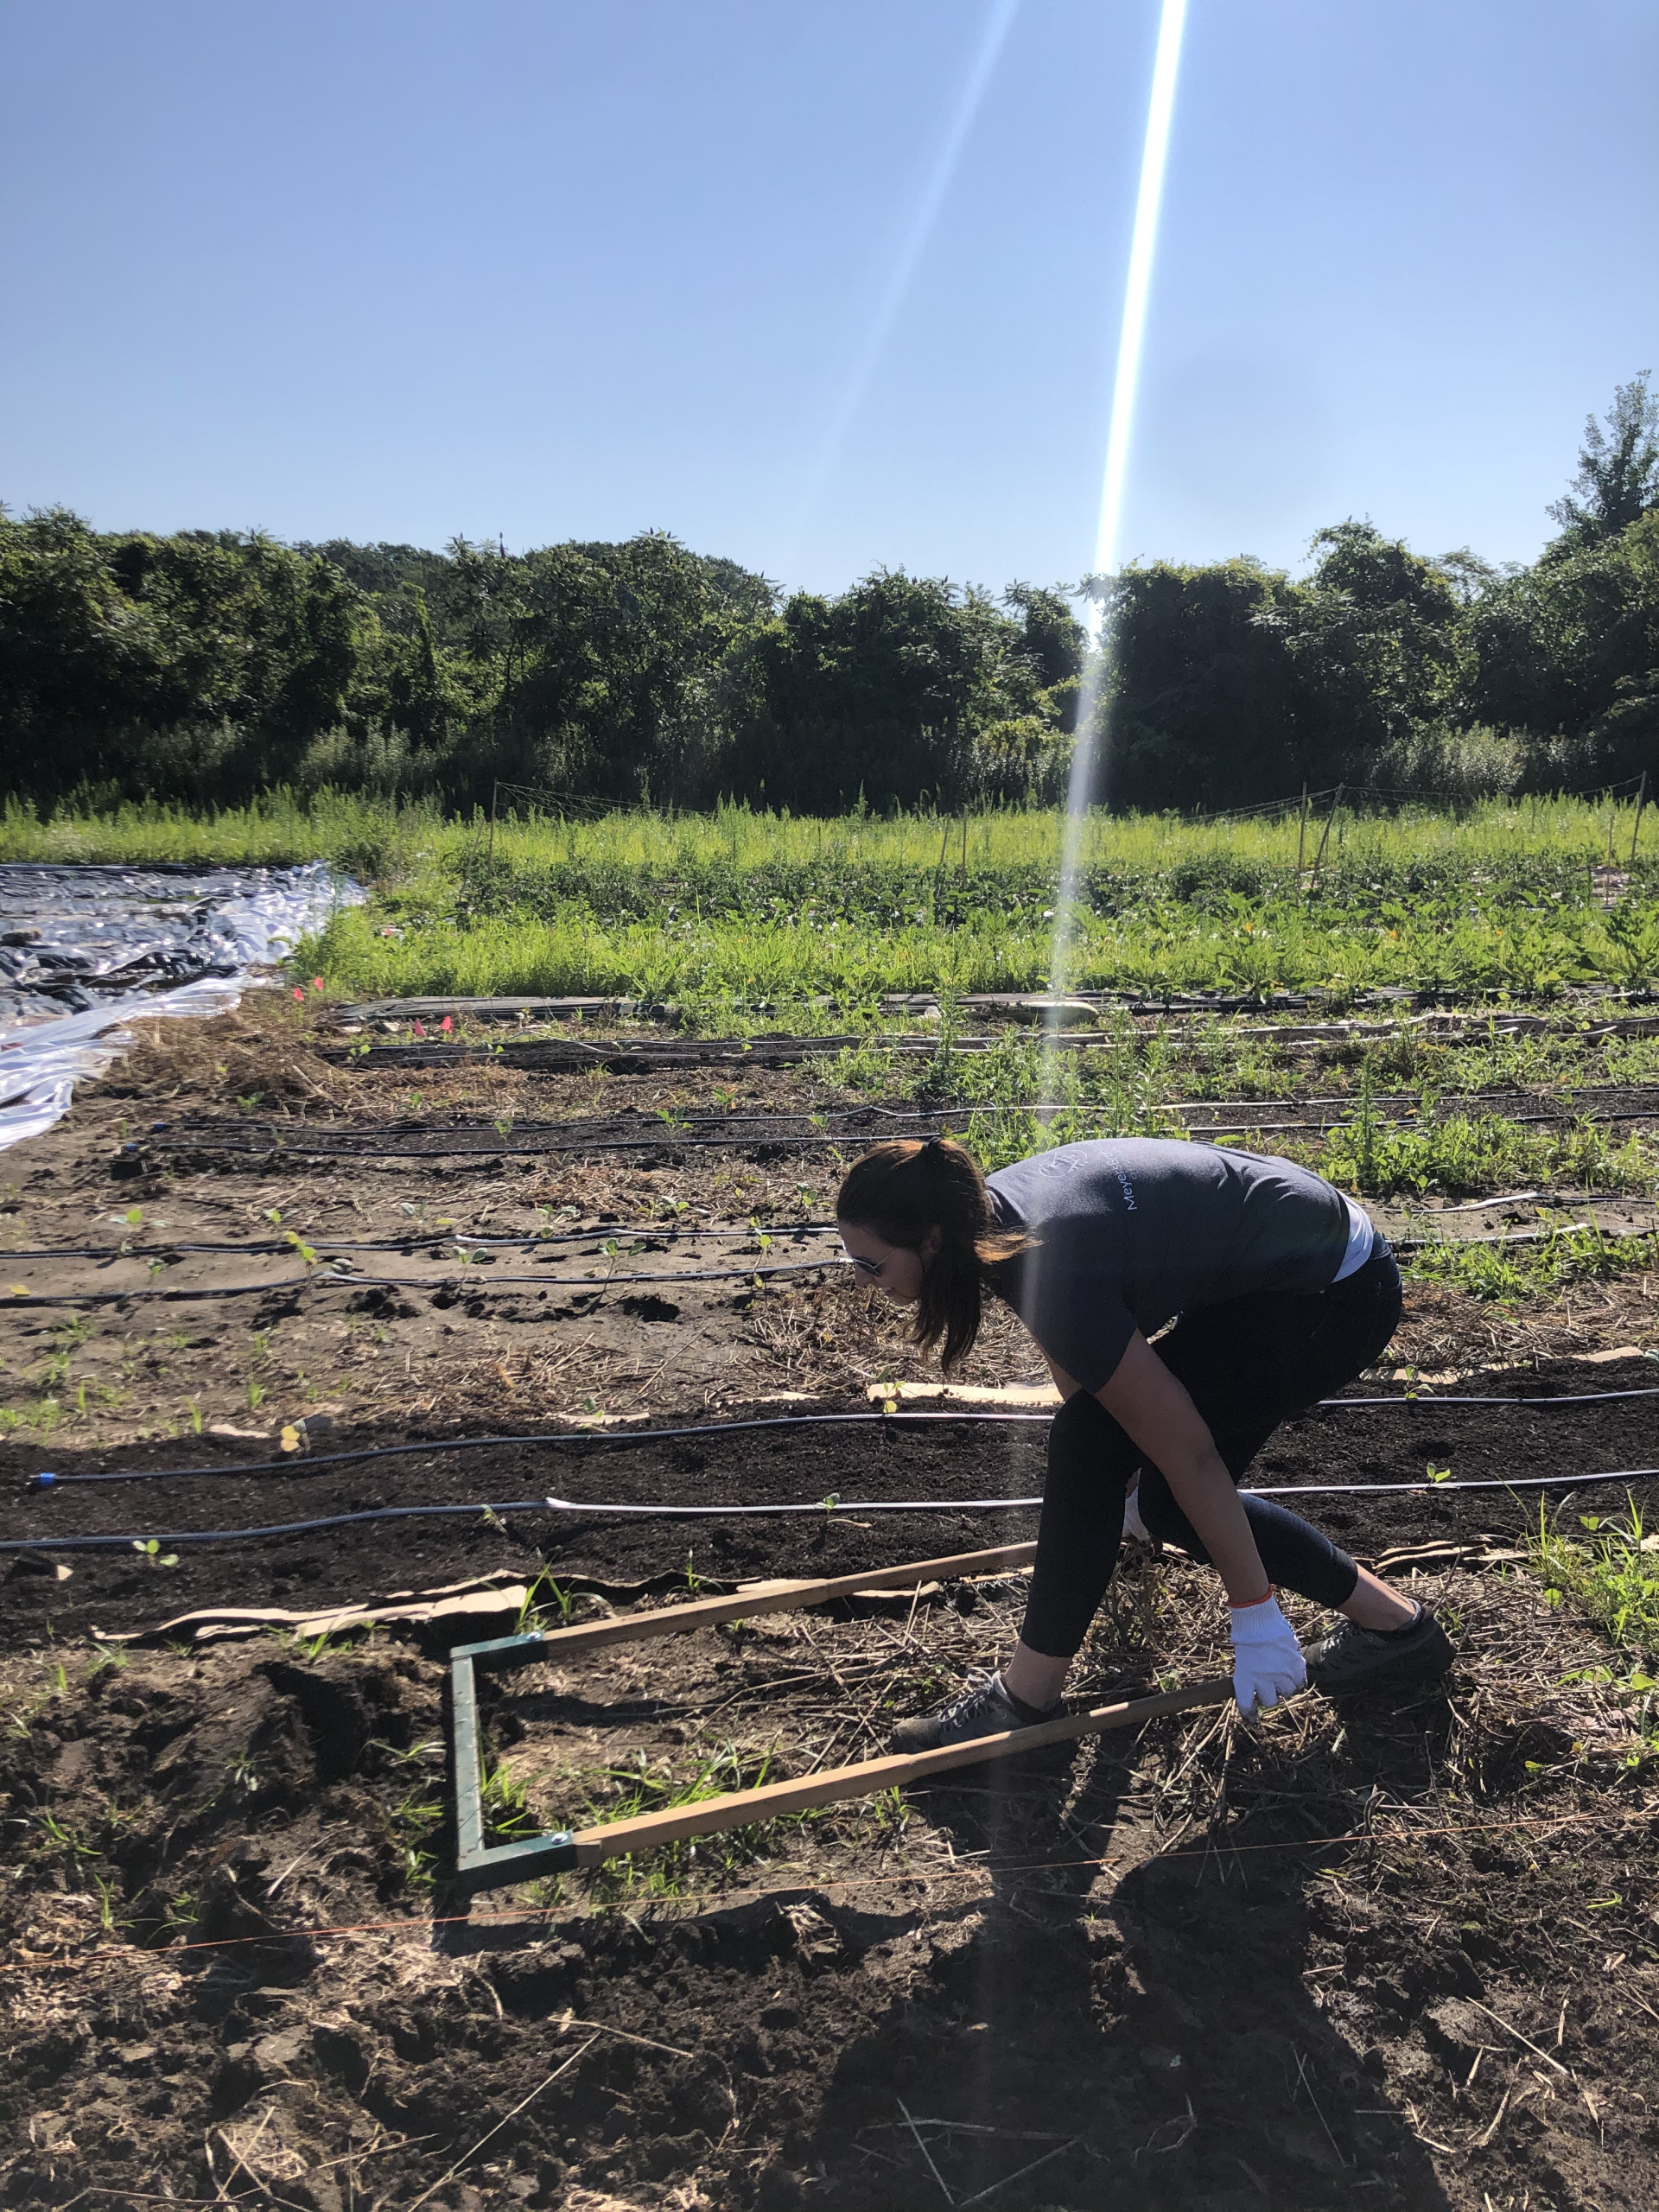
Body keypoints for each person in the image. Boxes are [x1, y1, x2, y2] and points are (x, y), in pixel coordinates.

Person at [836, 1135, 1452, 1750]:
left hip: (1332, 1297)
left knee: (1131, 1469)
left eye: (871, 1265)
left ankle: (1026, 1701)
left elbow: (1188, 1449)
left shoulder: (1046, 1259)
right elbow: (1078, 1351)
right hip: (1274, 1269)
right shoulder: (989, 1220)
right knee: (1132, 1474)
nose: (864, 1283)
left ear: (931, 1240)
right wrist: (1119, 1480)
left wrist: (1253, 1613)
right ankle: (1399, 1631)